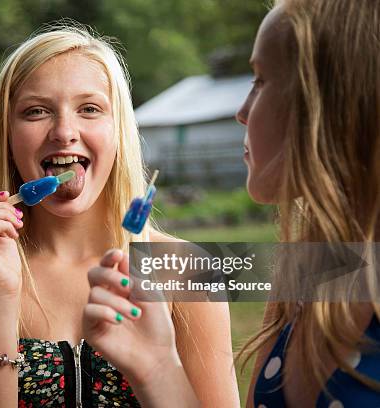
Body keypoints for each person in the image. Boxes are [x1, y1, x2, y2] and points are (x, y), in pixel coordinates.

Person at [83, 0, 380, 406]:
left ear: (330, 102)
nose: (241, 112)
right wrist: (156, 367)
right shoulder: (308, 273)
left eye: (259, 81)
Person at [0, 24, 239, 407]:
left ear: (119, 131)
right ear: (7, 136)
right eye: (36, 111)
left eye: (89, 109)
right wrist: (1, 297)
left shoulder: (187, 271)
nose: (64, 132)